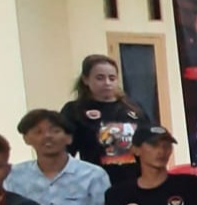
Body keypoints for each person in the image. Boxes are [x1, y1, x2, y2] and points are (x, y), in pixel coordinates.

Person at [60, 54, 150, 187]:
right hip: (95, 183)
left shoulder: (133, 108)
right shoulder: (74, 110)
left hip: (135, 181)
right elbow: (64, 152)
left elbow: (151, 143)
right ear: (86, 79)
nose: (107, 83)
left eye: (112, 78)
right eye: (100, 78)